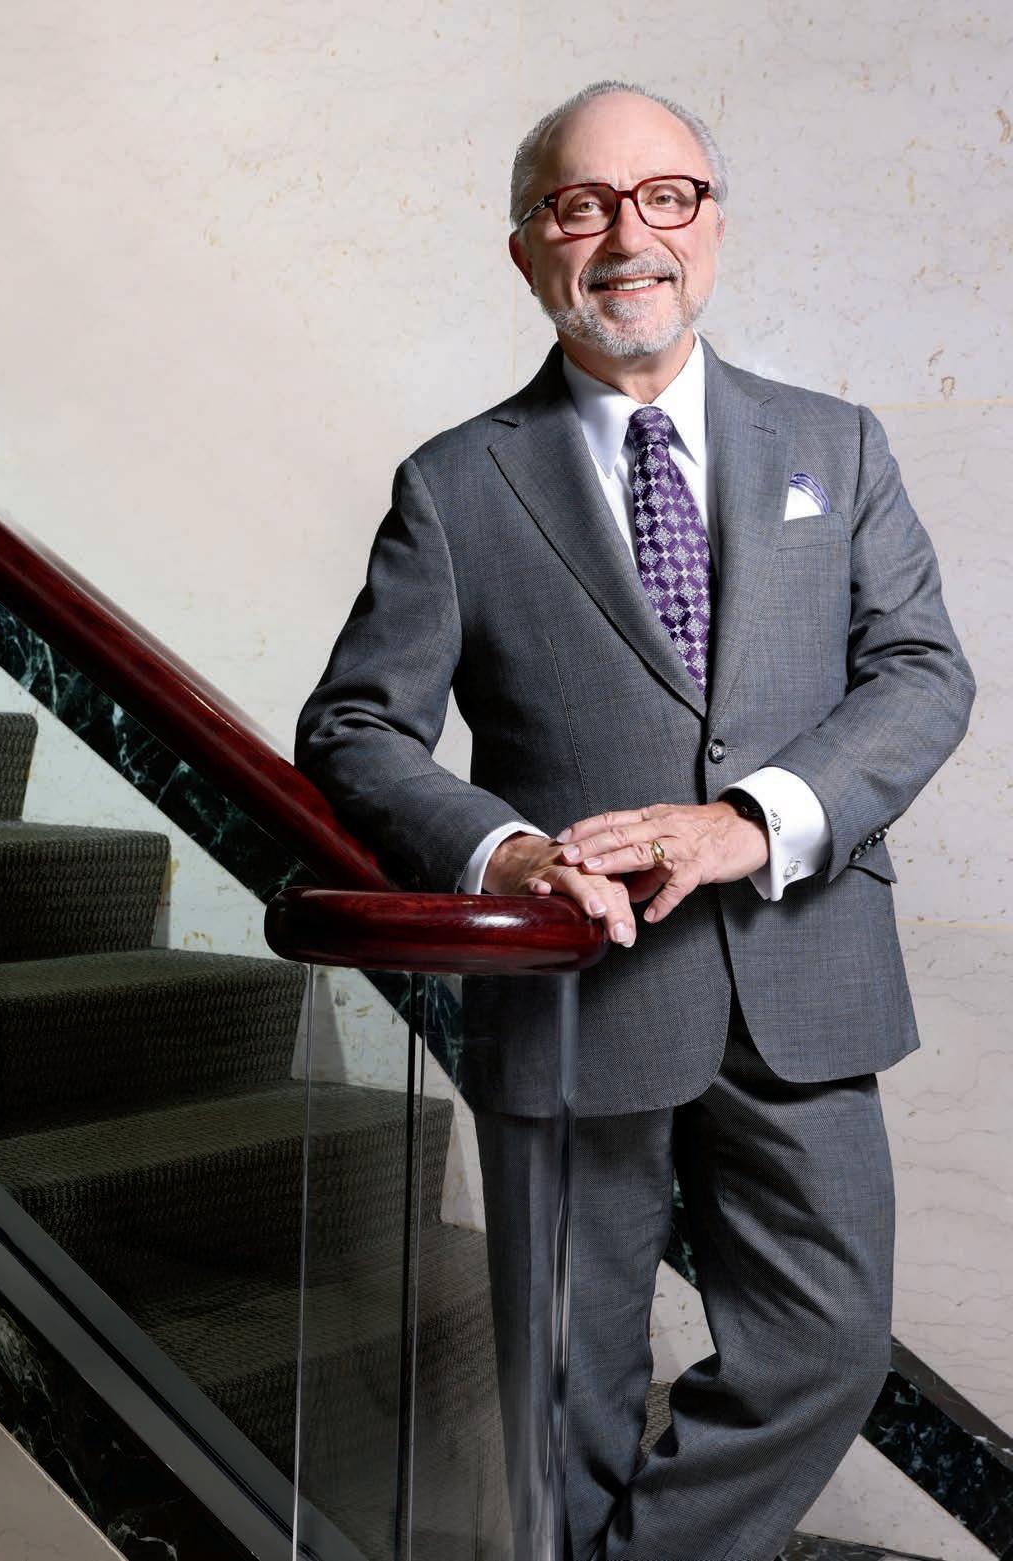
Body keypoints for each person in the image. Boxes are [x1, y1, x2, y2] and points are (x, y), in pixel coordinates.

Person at [294, 79, 976, 1561]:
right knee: (566, 1399)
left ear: (712, 225)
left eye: (666, 196)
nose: (627, 237)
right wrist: (509, 853)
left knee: (825, 1346)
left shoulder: (838, 445)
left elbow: (924, 673)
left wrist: (752, 820)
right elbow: (354, 727)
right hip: (571, 988)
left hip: (803, 975)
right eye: (582, 205)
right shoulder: (456, 485)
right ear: (527, 249)